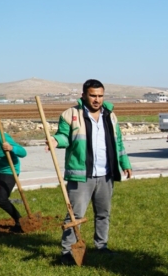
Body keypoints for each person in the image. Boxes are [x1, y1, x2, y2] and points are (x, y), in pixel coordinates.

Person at [48, 79, 132, 264]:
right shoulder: (71, 114)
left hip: (106, 174)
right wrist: (55, 141)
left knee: (103, 213)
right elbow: (64, 136)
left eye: (100, 96)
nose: (97, 100)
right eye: (93, 95)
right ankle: (67, 252)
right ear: (84, 95)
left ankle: (101, 246)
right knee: (74, 215)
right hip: (81, 175)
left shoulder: (110, 115)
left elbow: (118, 142)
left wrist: (124, 162)